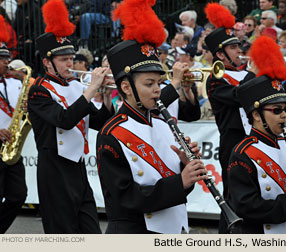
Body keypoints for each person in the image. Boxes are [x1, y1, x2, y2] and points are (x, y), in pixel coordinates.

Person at [96, 0, 207, 234]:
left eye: (158, 82)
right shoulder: (111, 133)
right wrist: (181, 181)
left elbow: (175, 189)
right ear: (126, 87)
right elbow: (124, 198)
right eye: (149, 83)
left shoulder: (163, 122)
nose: (158, 89)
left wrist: (185, 168)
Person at [27, 0, 115, 234]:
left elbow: (99, 123)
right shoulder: (39, 90)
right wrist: (91, 89)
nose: (70, 63)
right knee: (62, 234)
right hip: (54, 170)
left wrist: (106, 95)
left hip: (78, 168)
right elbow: (64, 120)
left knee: (91, 233)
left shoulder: (76, 85)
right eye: (63, 59)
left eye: (71, 57)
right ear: (47, 62)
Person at [227, 51, 286, 234]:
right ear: (257, 115)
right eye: (276, 110)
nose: (284, 115)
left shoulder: (285, 142)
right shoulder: (243, 152)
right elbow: (246, 206)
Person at [204, 4, 249, 233]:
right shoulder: (215, 79)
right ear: (220, 54)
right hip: (233, 143)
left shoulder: (248, 74)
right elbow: (238, 96)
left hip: (255, 140)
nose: (238, 50)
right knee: (233, 195)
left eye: (237, 45)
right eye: (232, 47)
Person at [0, 19, 27, 234]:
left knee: (18, 195)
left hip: (11, 147)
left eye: (7, 58)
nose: (7, 62)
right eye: (2, 59)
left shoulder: (15, 82)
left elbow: (21, 109)